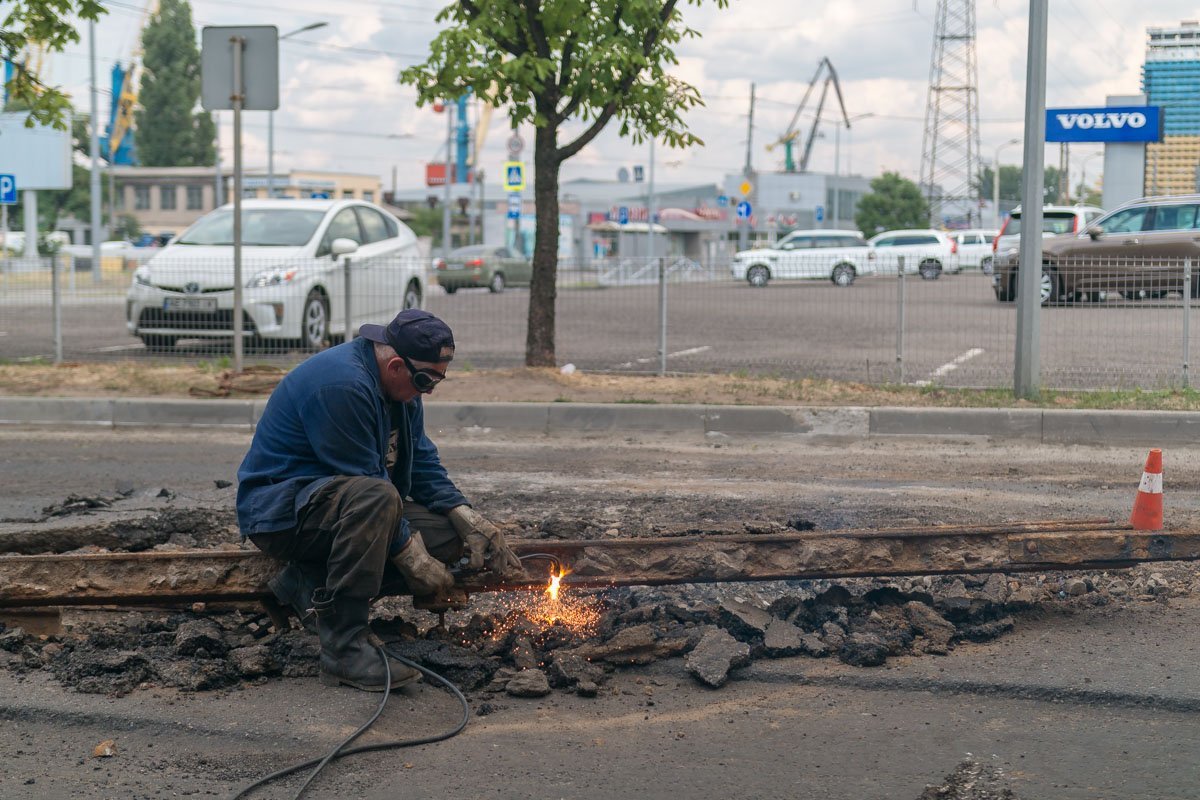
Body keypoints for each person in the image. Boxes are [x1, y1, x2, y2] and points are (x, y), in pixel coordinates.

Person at [236, 309, 525, 692]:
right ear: (394, 365)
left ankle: (307, 583)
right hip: (283, 514)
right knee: (378, 499)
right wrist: (414, 558)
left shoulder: (403, 389)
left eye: (436, 380)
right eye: (425, 380)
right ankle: (344, 648)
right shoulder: (342, 386)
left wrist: (465, 516)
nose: (428, 391)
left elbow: (420, 459)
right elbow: (367, 482)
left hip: (347, 507)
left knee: (450, 539)